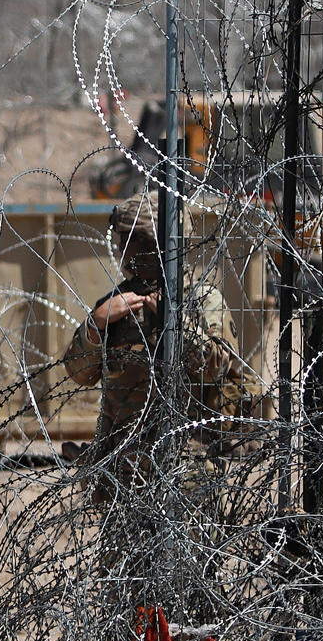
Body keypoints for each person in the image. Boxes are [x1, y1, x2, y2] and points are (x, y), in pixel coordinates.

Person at [60, 193, 255, 486]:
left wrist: (176, 325)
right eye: (125, 241)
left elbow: (218, 371)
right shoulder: (118, 303)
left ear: (163, 245)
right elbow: (77, 373)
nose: (127, 251)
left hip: (187, 467)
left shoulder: (203, 301)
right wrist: (96, 324)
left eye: (137, 242)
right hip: (124, 468)